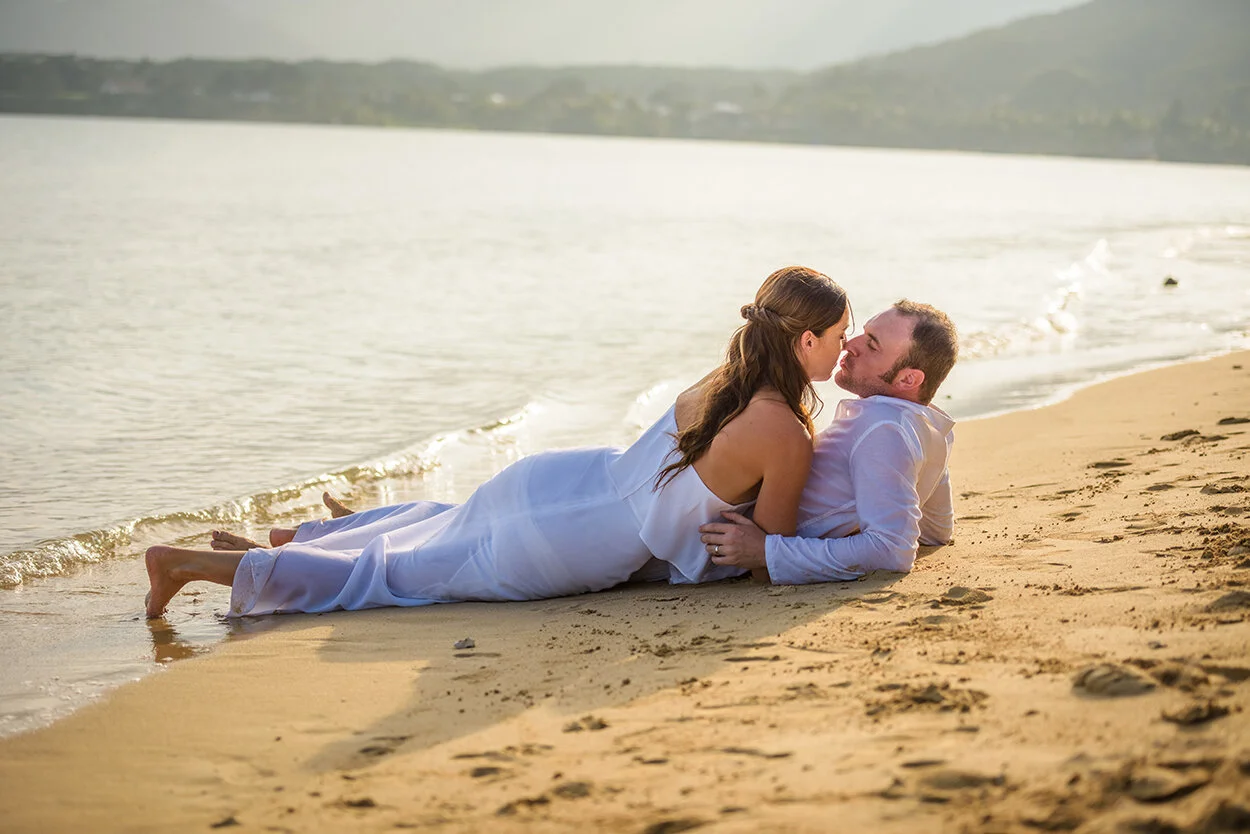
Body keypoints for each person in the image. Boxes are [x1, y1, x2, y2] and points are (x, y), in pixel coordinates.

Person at [143, 265, 851, 618]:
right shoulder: (784, 433)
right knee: (394, 579)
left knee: (435, 526)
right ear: (807, 339)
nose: (844, 351)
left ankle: (285, 542)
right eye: (842, 337)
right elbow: (770, 558)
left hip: (559, 481)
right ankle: (182, 566)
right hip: (576, 543)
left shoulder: (722, 377)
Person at [698, 300, 958, 583]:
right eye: (863, 332)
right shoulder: (932, 427)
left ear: (908, 379)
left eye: (872, 345)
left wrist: (767, 551)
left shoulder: (884, 429)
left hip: (717, 546)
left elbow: (891, 551)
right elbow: (935, 531)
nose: (849, 344)